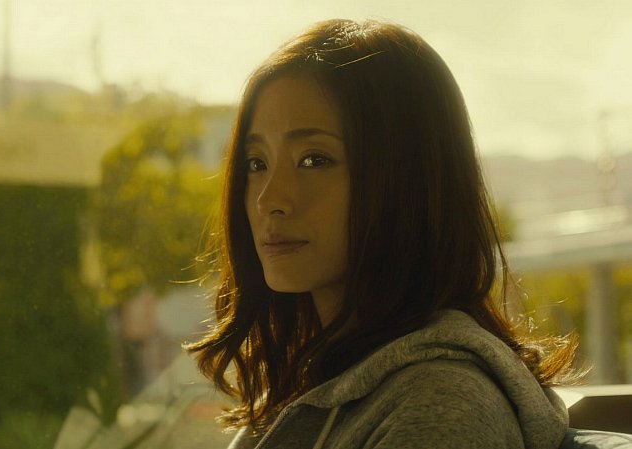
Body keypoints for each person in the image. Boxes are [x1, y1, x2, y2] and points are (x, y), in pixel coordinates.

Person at [185, 19, 580, 449]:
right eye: (257, 163)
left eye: (314, 160)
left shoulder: (438, 405)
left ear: (408, 179)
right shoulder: (307, 388)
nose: (268, 199)